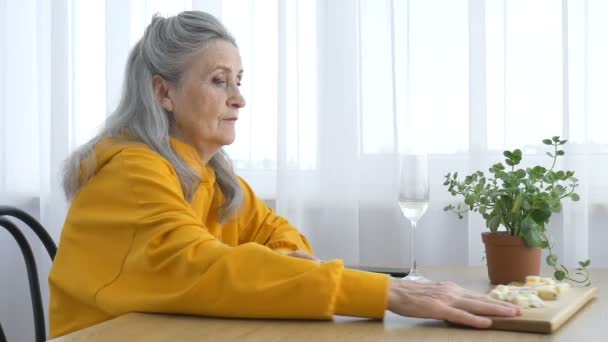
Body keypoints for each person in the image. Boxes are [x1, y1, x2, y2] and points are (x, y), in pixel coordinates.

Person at [48, 10, 520, 338]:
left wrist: (267, 268)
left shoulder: (208, 174)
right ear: (163, 92)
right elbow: (205, 266)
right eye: (219, 81)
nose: (239, 98)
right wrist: (383, 292)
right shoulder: (134, 171)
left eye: (239, 80)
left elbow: (279, 235)